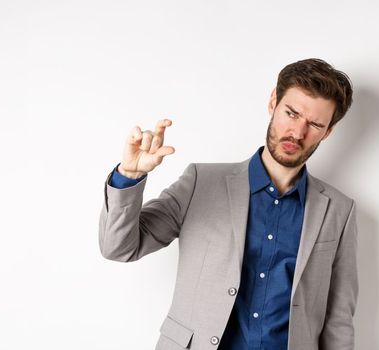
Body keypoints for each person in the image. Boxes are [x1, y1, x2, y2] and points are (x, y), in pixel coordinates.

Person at [98, 58, 358, 350]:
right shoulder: (201, 182)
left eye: (314, 124)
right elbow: (119, 247)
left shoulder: (338, 210)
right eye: (292, 113)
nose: (297, 132)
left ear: (328, 131)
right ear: (273, 101)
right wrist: (129, 176)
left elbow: (338, 319)